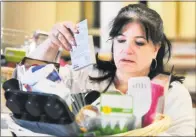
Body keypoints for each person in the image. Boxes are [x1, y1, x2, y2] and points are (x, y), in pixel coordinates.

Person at [21, 3, 195, 136]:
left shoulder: (172, 95)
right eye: (120, 40)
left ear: (156, 49)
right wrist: (52, 43)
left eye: (139, 42)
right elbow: (29, 81)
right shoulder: (86, 76)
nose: (127, 49)